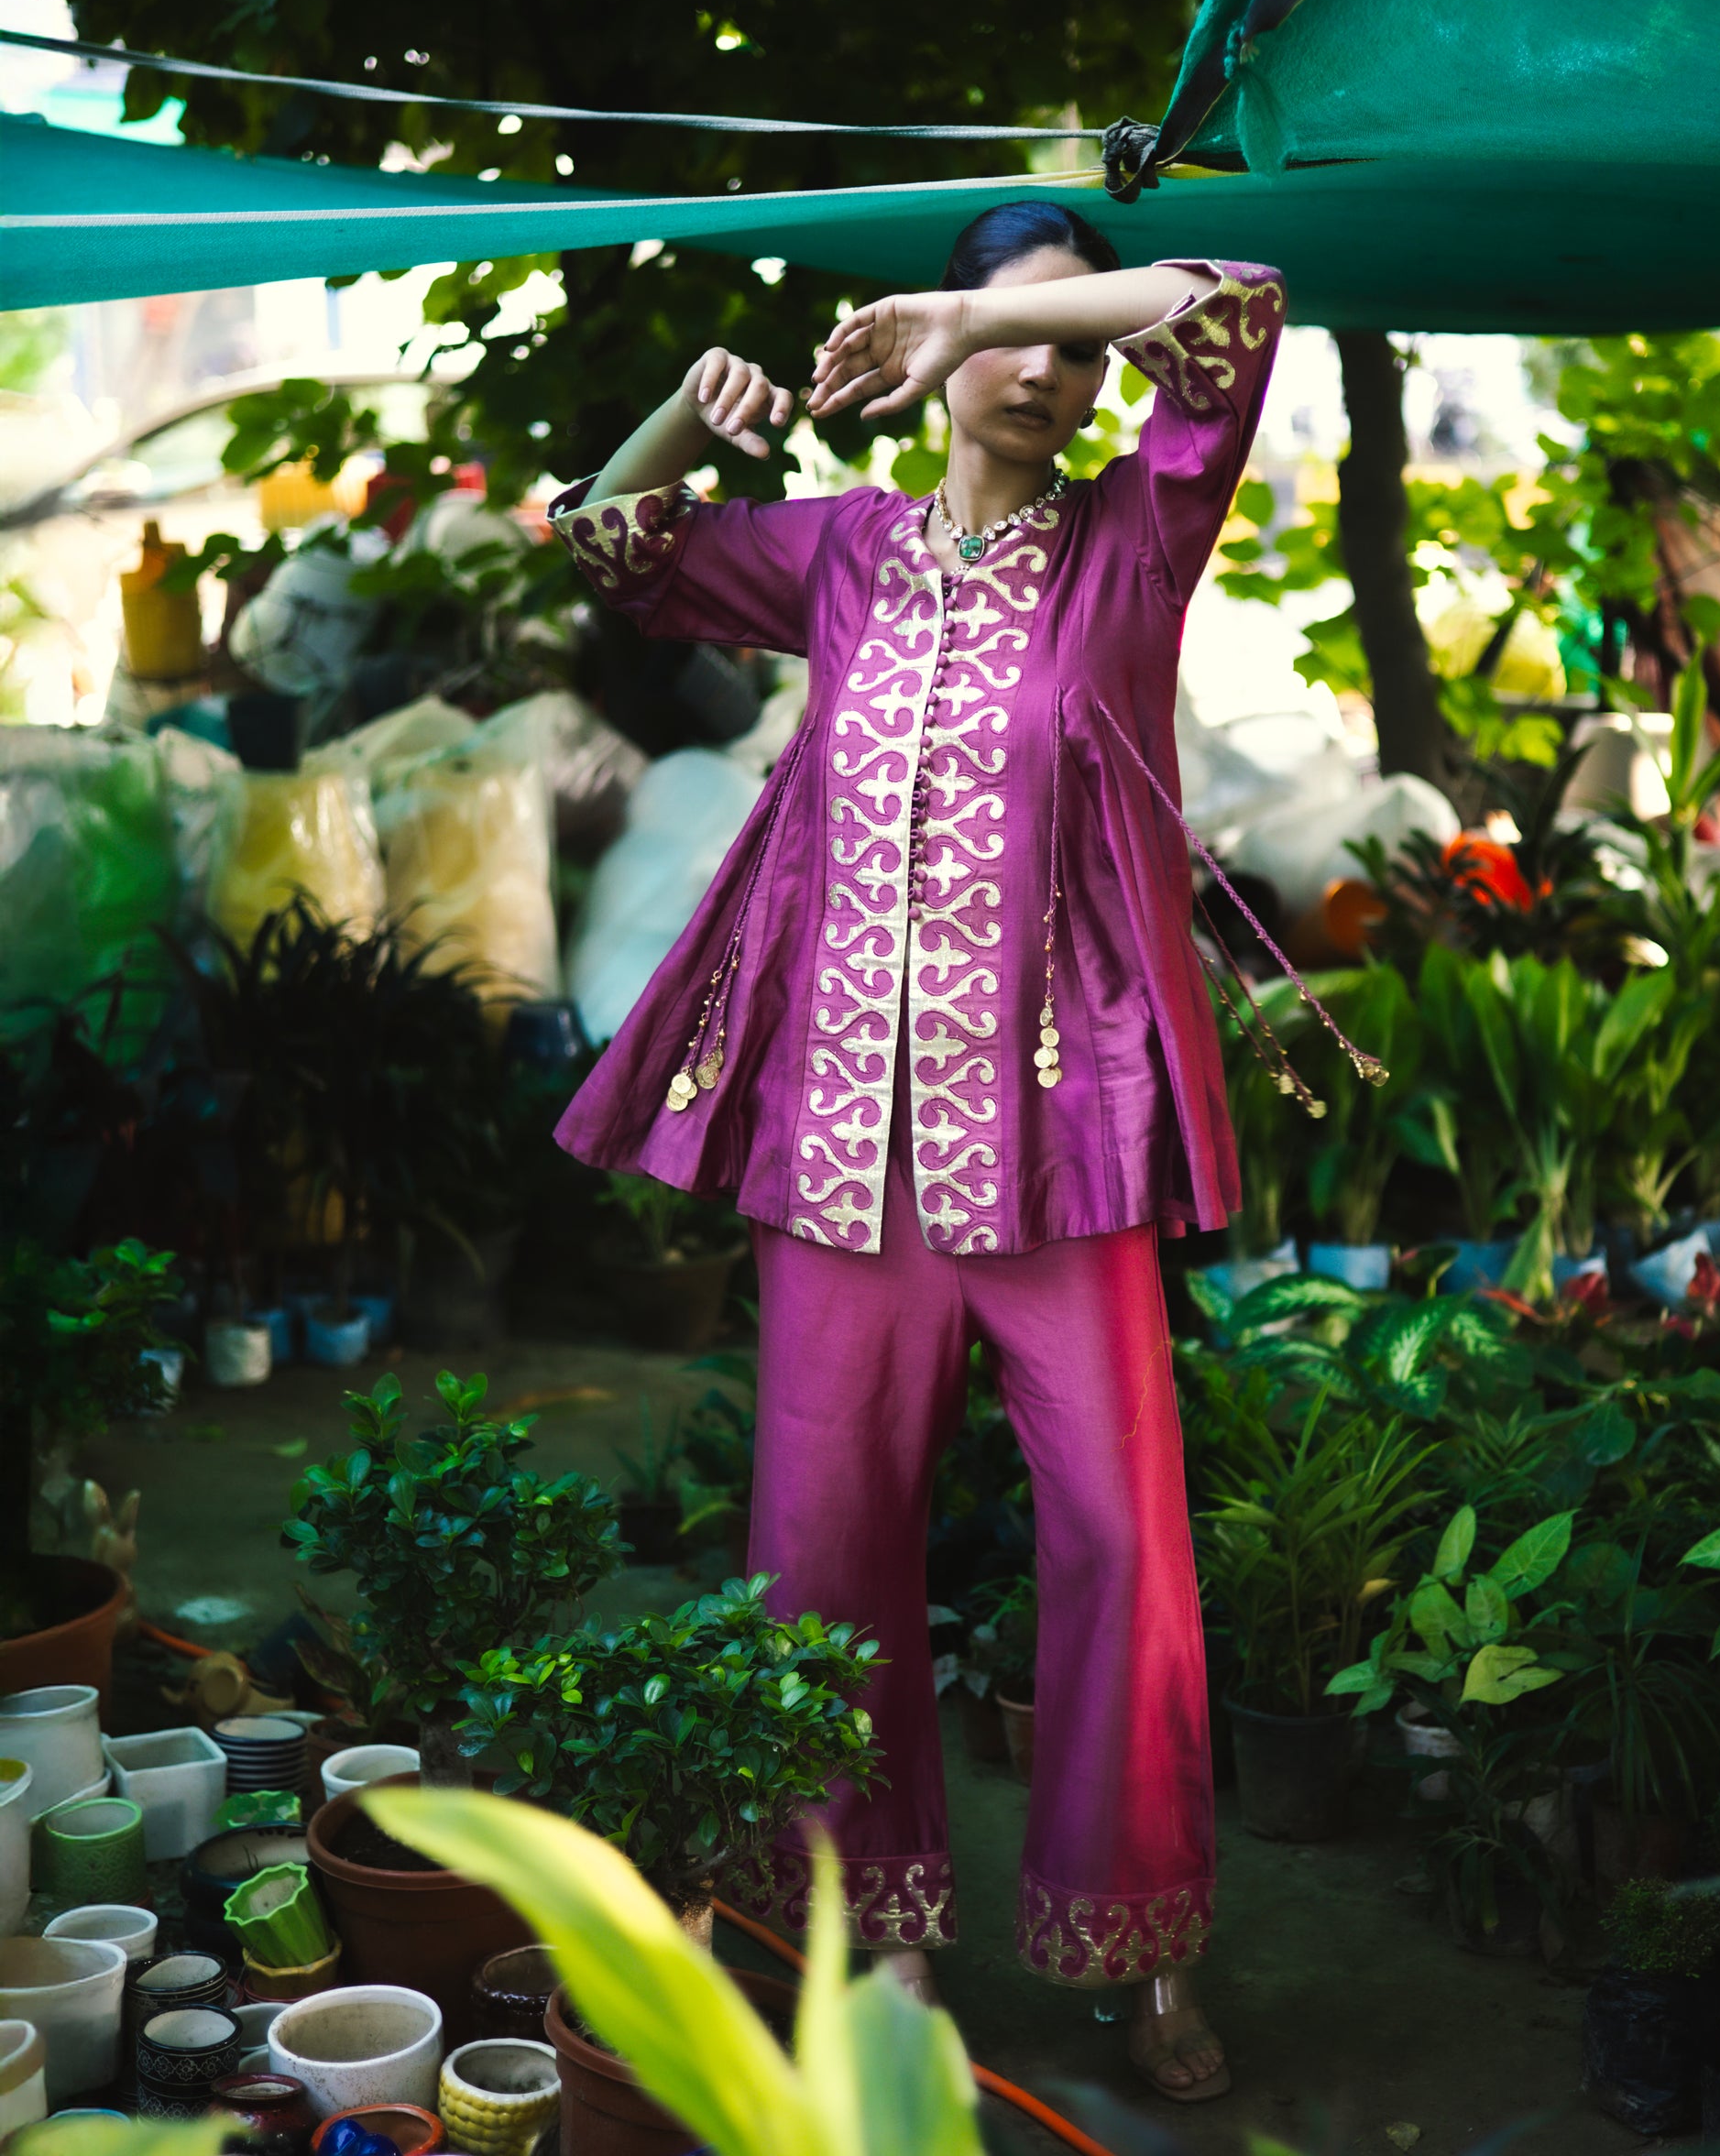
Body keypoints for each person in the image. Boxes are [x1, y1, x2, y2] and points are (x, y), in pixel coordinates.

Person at [546, 201, 1288, 2103]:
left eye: (1074, 345)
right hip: (840, 1159)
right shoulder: (842, 554)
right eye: (1006, 334)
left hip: (1062, 1153)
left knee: (1120, 1546)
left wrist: (974, 311)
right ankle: (867, 1935)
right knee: (822, 1551)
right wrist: (686, 413)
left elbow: (1232, 308)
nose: (1045, 370)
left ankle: (1141, 1953)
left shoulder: (1134, 540)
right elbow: (611, 540)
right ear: (940, 358)